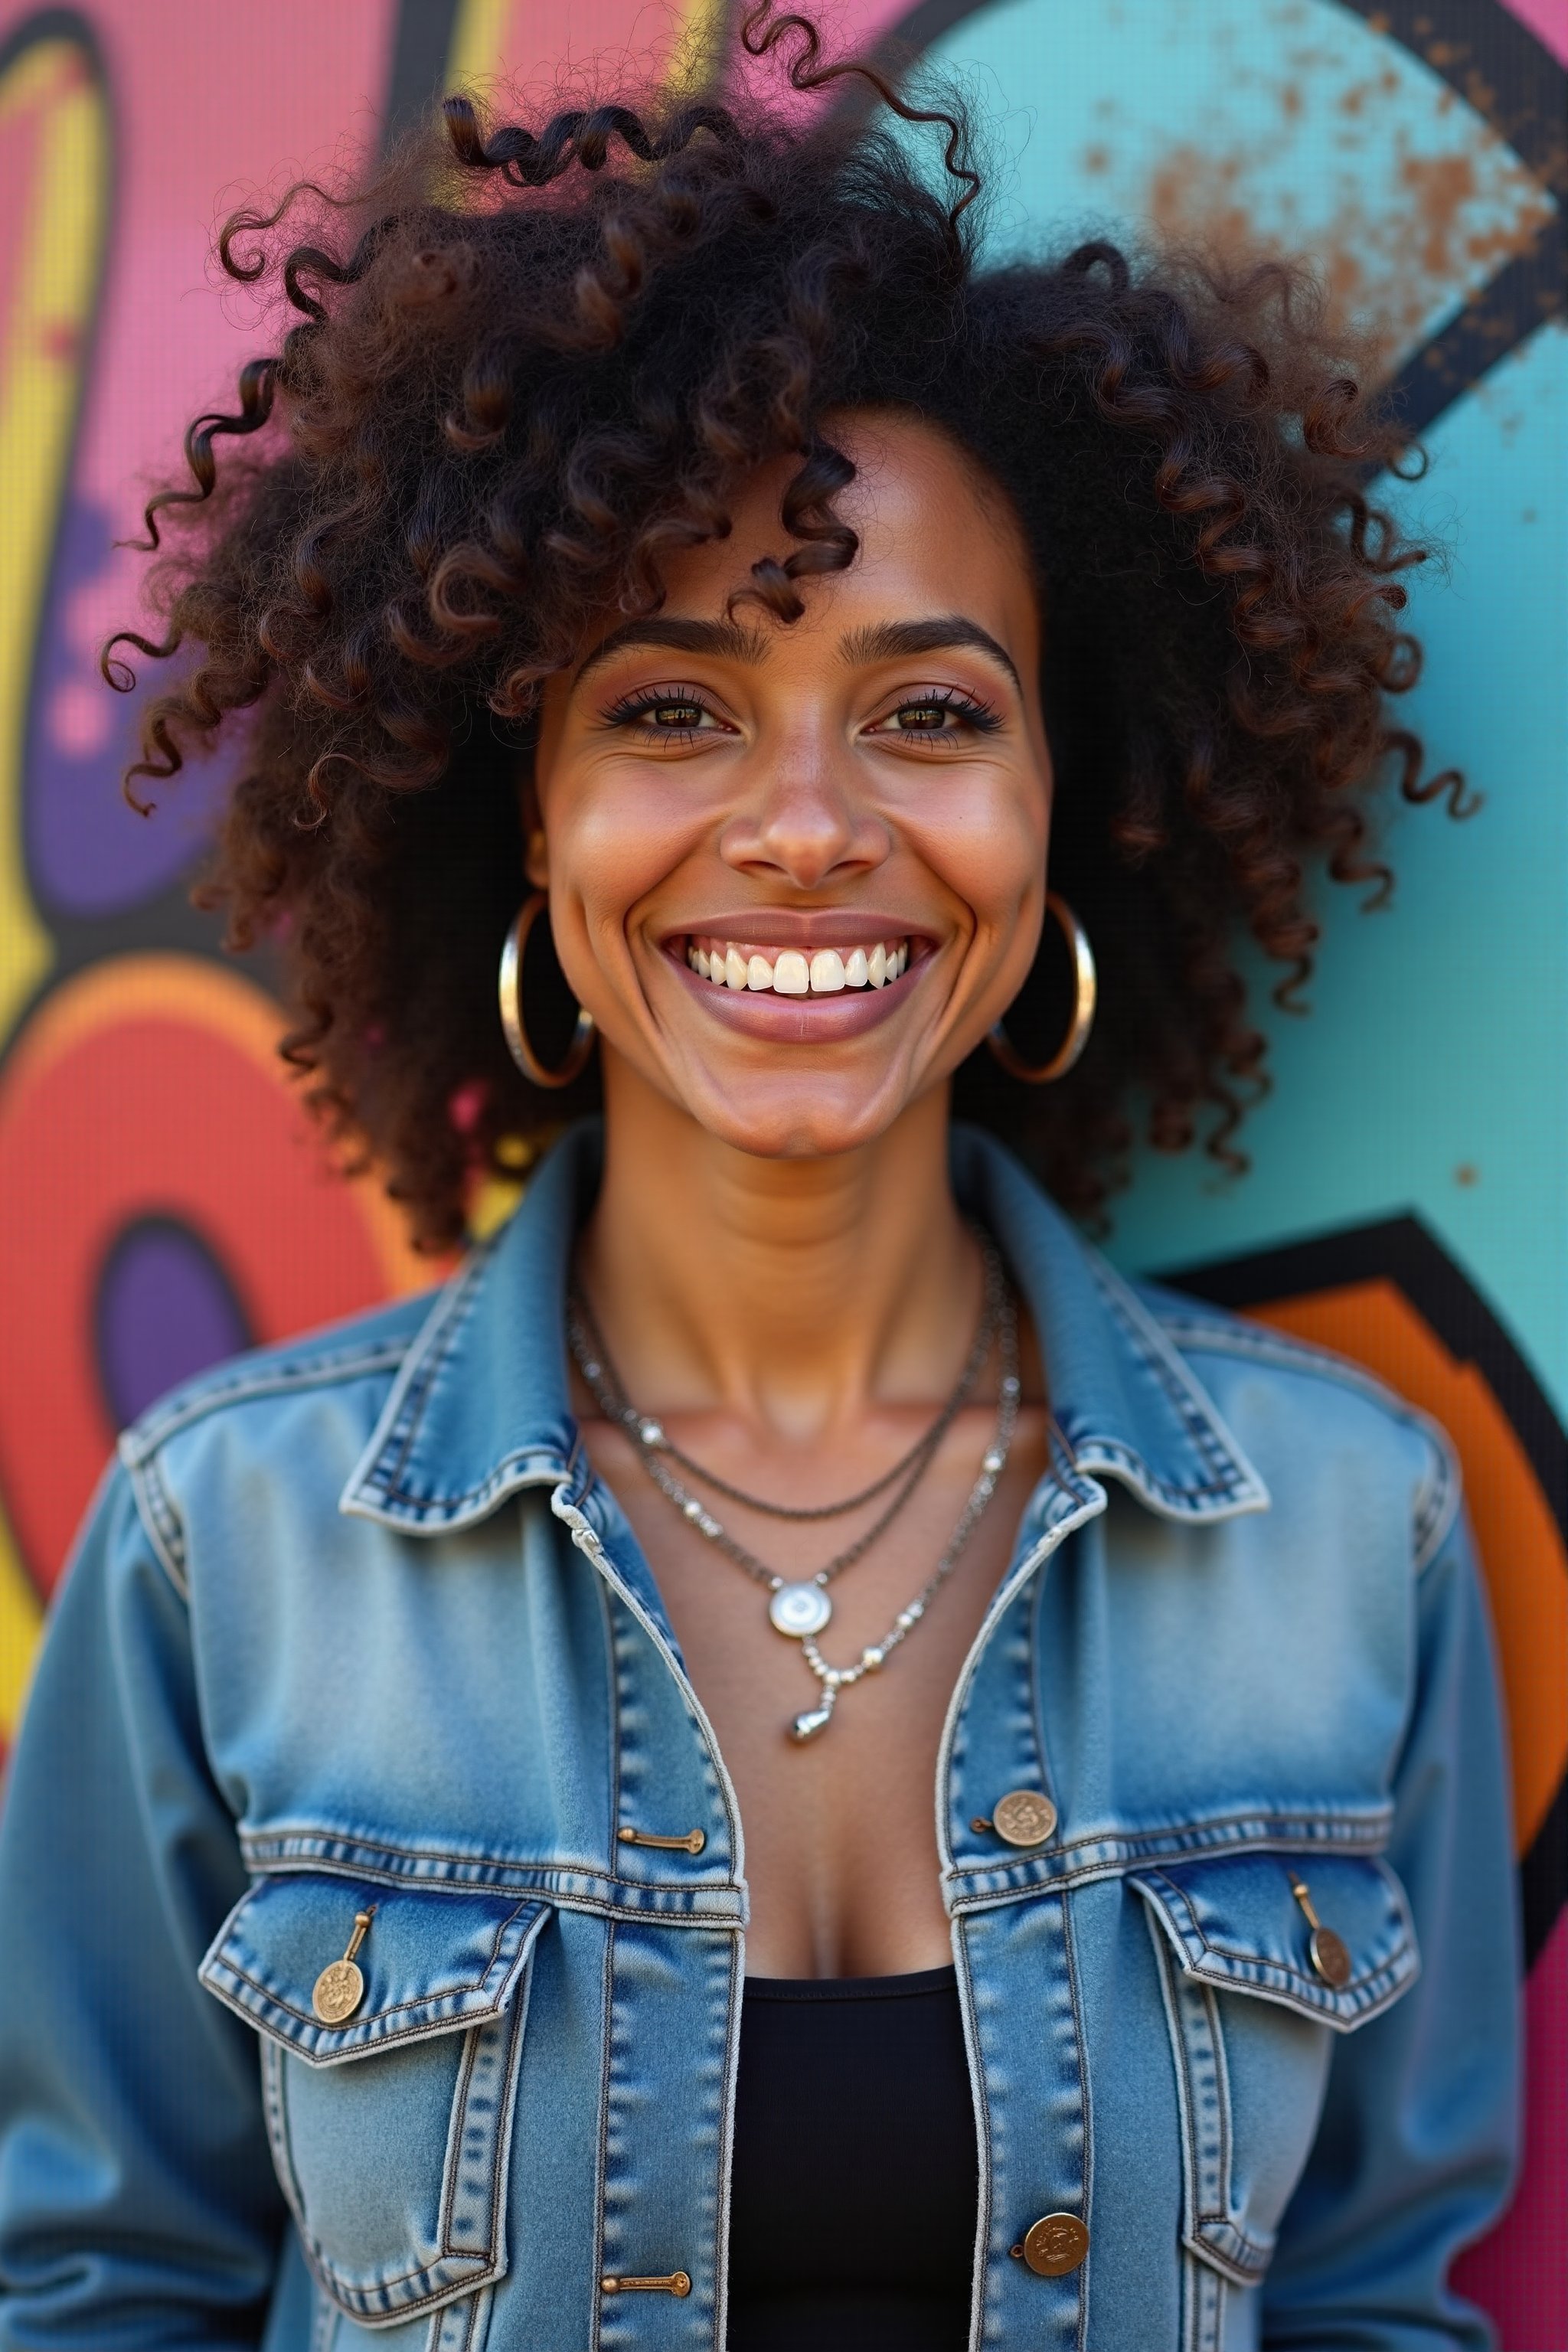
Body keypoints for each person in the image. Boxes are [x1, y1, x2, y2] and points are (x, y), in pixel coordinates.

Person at [0, 11, 1518, 2348]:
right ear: (525, 820)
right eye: (672, 708)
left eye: (930, 714)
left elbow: (1375, 2306)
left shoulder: (1348, 1535)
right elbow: (97, 2293)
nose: (807, 827)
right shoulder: (231, 1552)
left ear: (1061, 808)